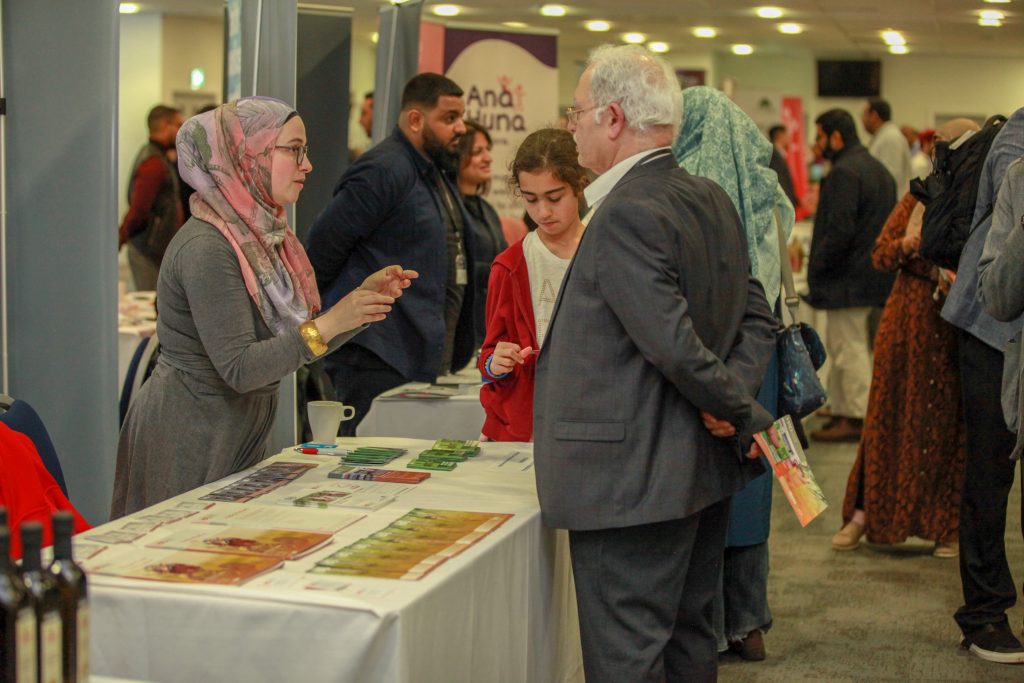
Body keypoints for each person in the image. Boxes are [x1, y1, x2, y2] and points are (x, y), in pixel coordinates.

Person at [533, 45, 777, 682]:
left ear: (613, 118)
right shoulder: (711, 197)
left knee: (628, 659)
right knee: (688, 643)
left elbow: (671, 344)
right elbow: (757, 316)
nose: (571, 127)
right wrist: (733, 399)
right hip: (694, 471)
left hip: (631, 484)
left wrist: (737, 410)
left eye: (576, 112)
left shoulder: (626, 212)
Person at [111, 98, 416, 517]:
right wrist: (332, 321)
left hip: (231, 429)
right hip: (190, 436)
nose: (307, 165)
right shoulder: (208, 247)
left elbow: (296, 344)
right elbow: (241, 367)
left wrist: (358, 307)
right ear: (247, 155)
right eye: (294, 150)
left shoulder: (262, 238)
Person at [673, 86, 794, 662]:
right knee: (753, 492)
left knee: (705, 491)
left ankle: (711, 625)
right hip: (761, 362)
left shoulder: (688, 189)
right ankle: (750, 623)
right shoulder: (765, 189)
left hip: (706, 363)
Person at [830, 119, 979, 557]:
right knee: (886, 414)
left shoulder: (977, 197)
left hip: (950, 323)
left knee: (944, 424)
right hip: (906, 318)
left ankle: (944, 527)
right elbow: (880, 253)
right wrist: (912, 244)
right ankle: (862, 516)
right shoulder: (918, 194)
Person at [305, 73, 475, 434]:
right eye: (449, 118)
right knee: (365, 460)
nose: (461, 128)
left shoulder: (433, 170)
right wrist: (335, 318)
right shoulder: (384, 169)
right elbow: (323, 247)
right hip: (377, 355)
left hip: (415, 355)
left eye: (461, 117)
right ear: (415, 120)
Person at [945, 105, 1024, 664]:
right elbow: (1002, 276)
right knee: (991, 472)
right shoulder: (1017, 140)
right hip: (991, 328)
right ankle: (984, 612)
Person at [477, 128, 587, 442]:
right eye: (531, 199)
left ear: (580, 185)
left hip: (591, 421)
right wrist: (495, 363)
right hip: (526, 430)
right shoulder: (510, 266)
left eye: (555, 198)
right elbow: (488, 355)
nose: (543, 211)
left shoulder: (605, 252)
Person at [806, 109, 896, 442]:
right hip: (872, 277)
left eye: (819, 136)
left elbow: (839, 231)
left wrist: (818, 266)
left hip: (847, 281)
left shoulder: (844, 172)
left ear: (836, 137)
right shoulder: (878, 169)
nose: (816, 144)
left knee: (849, 349)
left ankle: (856, 417)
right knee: (853, 348)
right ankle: (845, 409)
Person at [118, 105, 186, 290]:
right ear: (164, 125)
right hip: (148, 251)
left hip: (154, 250)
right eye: (178, 125)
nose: (181, 131)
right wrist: (120, 238)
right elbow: (139, 210)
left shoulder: (158, 158)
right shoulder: (153, 164)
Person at [456, 120, 508, 348]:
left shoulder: (487, 210)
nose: (488, 158)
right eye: (478, 151)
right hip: (462, 330)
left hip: (489, 327)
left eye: (488, 149)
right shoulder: (448, 210)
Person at [862, 98, 914, 196]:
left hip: (892, 201)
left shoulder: (890, 137)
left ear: (874, 116)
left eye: (864, 115)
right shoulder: (883, 136)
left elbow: (891, 178)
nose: (862, 120)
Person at [768, 123, 799, 209]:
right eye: (787, 135)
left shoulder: (779, 154)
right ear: (780, 136)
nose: (789, 138)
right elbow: (780, 182)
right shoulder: (773, 156)